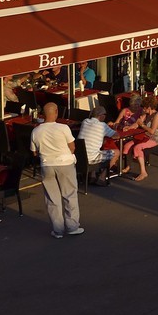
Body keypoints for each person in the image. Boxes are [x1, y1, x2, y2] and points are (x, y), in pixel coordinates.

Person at [30, 102, 83, 238]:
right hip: (64, 163)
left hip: (47, 164)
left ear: (43, 114)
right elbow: (72, 147)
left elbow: (34, 152)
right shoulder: (63, 128)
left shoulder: (36, 131)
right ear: (56, 112)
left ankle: (58, 230)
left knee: (52, 198)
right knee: (69, 195)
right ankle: (72, 226)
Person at [78, 105, 119, 183]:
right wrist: (113, 128)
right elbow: (116, 136)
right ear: (101, 115)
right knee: (116, 152)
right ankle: (102, 177)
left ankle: (92, 175)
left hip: (81, 157)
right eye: (105, 115)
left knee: (96, 147)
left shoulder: (85, 121)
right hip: (91, 158)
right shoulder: (103, 126)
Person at [126, 97, 158, 181]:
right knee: (127, 145)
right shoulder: (145, 114)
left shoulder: (157, 115)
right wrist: (129, 128)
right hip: (143, 137)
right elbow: (137, 124)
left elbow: (152, 131)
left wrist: (142, 125)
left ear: (149, 107)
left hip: (153, 139)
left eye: (144, 107)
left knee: (137, 147)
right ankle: (128, 166)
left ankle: (143, 172)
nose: (143, 109)